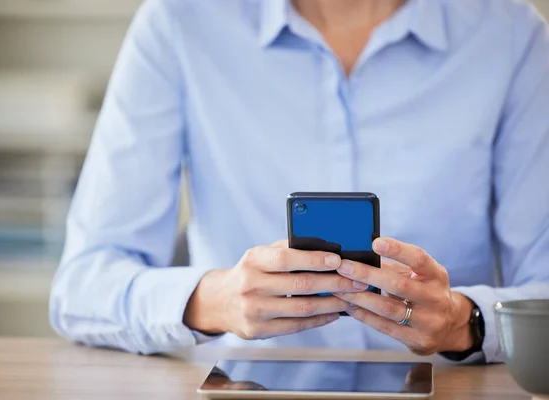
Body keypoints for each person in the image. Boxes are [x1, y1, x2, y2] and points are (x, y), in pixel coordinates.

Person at [49, 0, 549, 364]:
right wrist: (215, 300)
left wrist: (466, 321)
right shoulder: (179, 23)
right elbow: (83, 287)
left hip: (446, 389)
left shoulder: (510, 33)